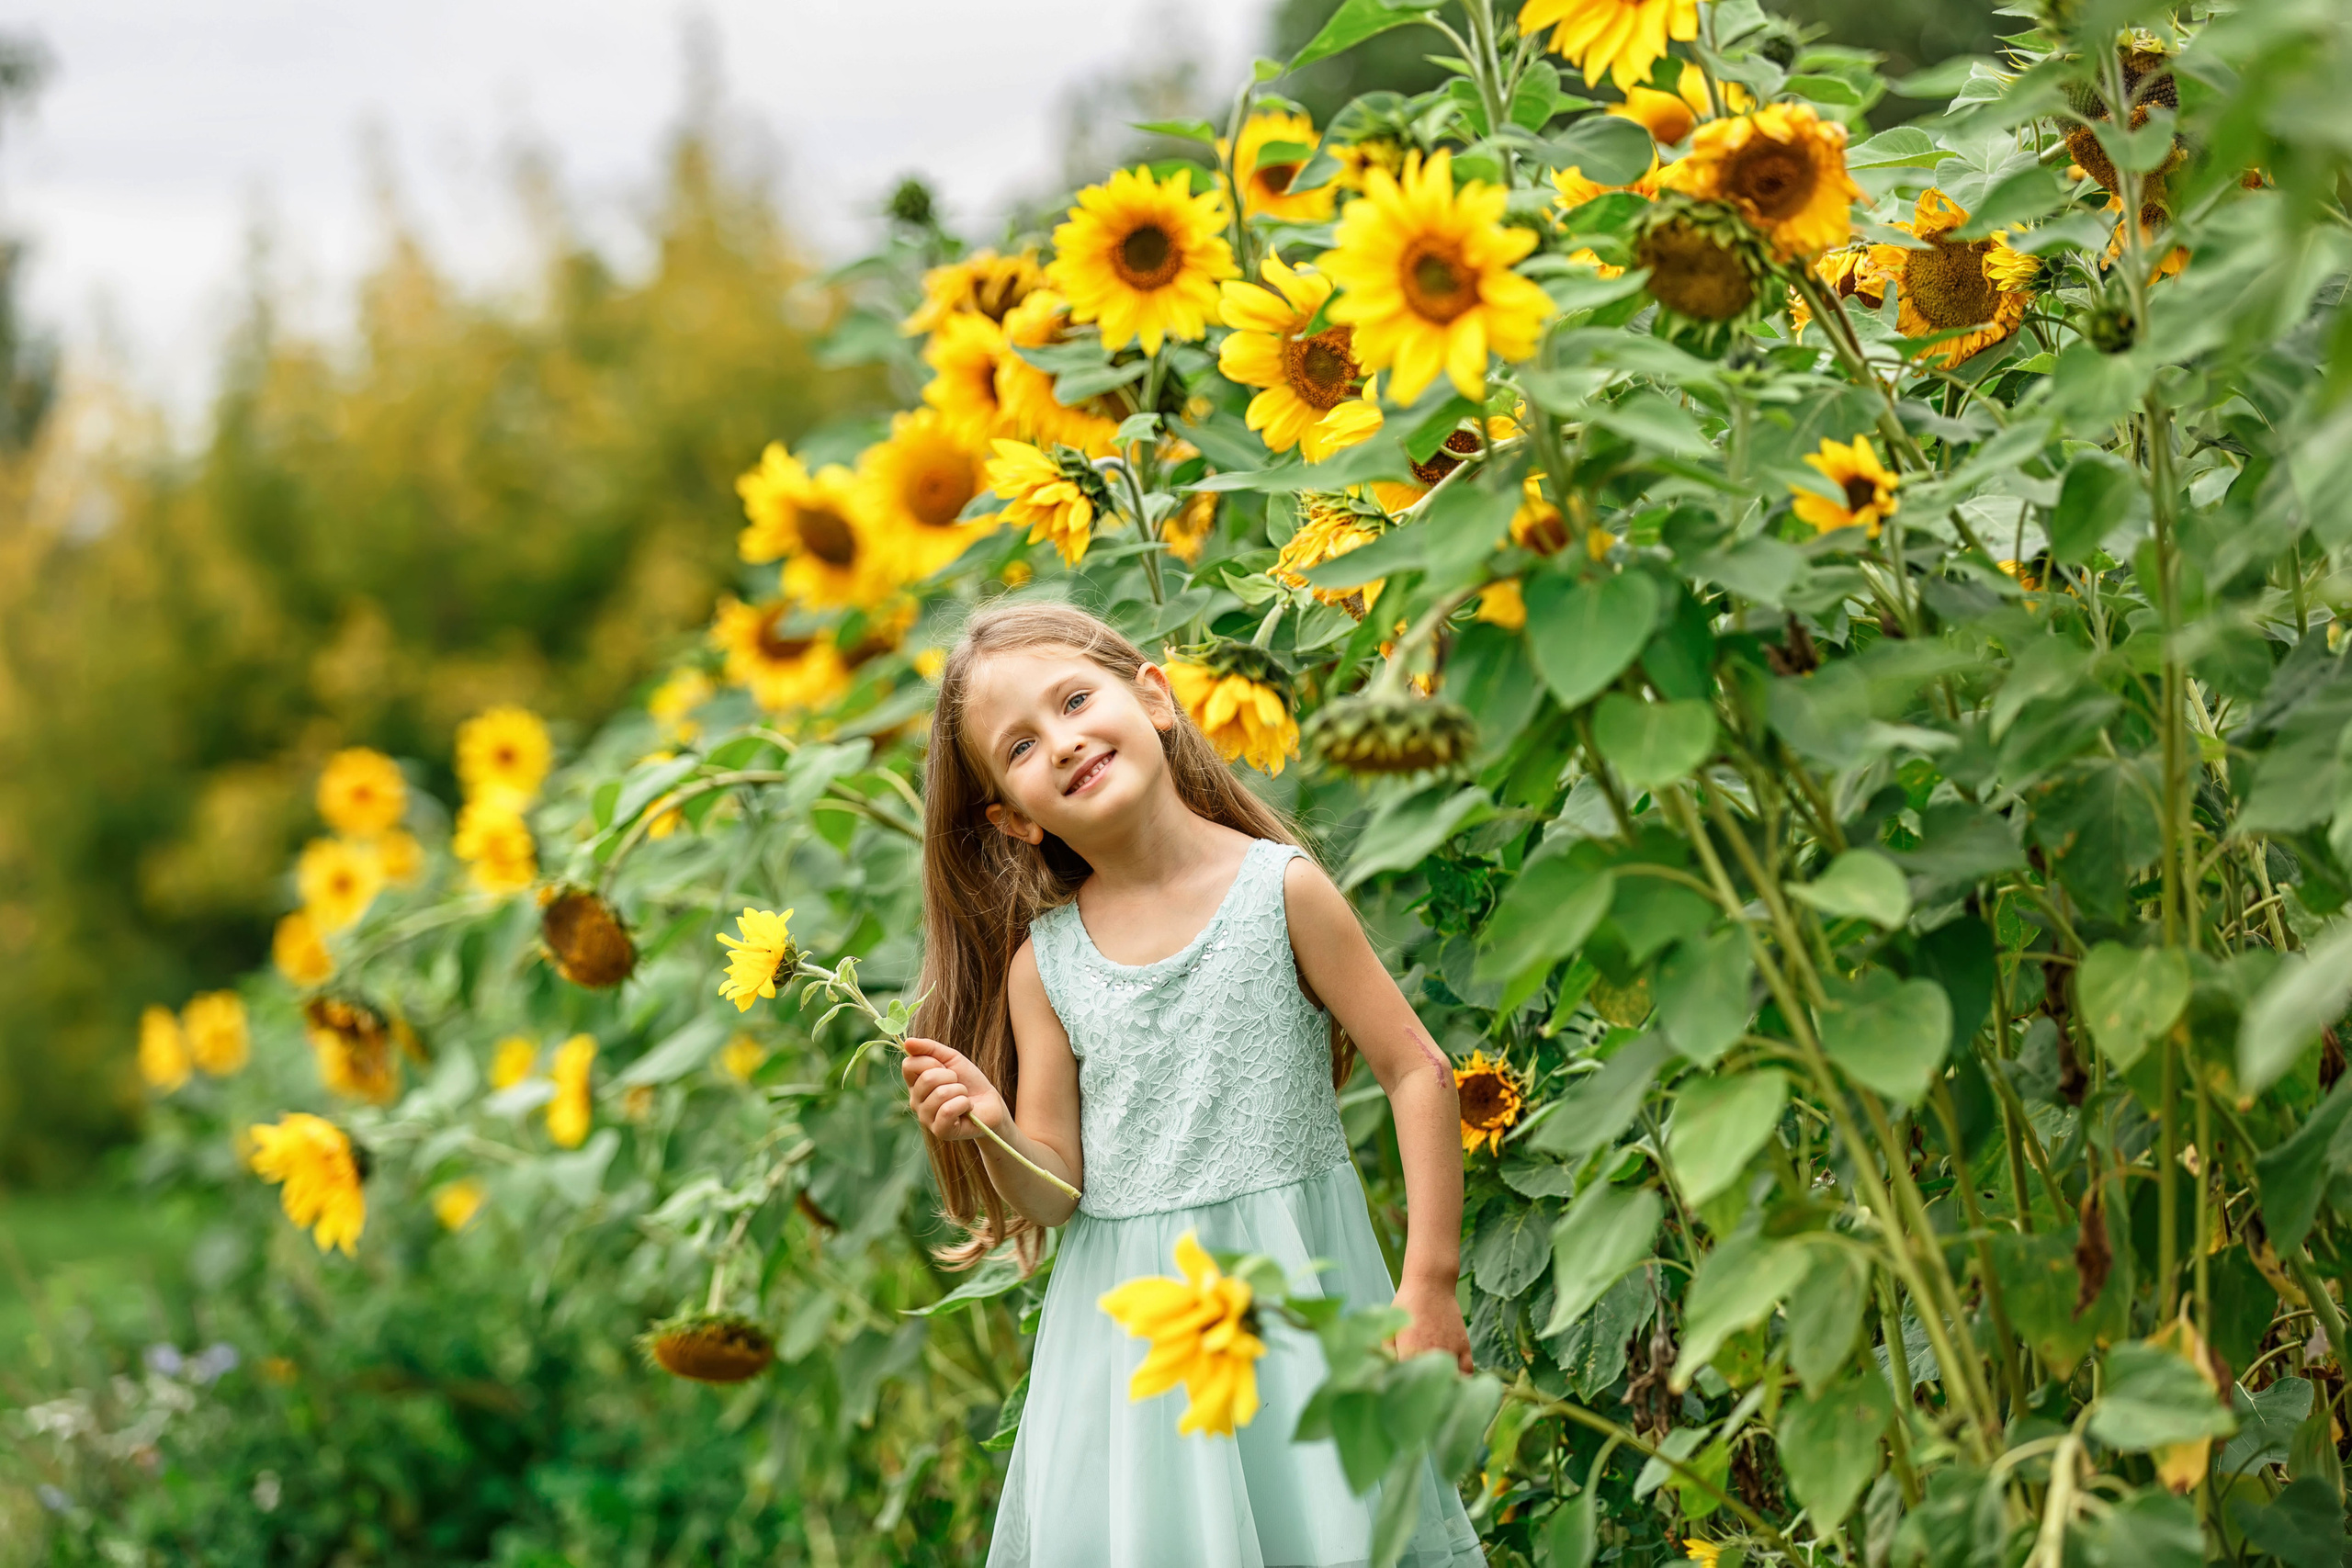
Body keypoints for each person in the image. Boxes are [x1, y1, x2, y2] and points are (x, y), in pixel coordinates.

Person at [899, 601, 1484, 1566]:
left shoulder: (1279, 891)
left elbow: (1416, 1073)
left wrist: (1427, 1286)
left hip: (1301, 1314)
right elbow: (1057, 1187)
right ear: (1012, 819)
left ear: (1155, 697)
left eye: (1076, 699)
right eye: (1021, 746)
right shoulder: (1044, 967)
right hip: (1136, 1355)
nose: (1065, 740)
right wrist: (993, 1127)